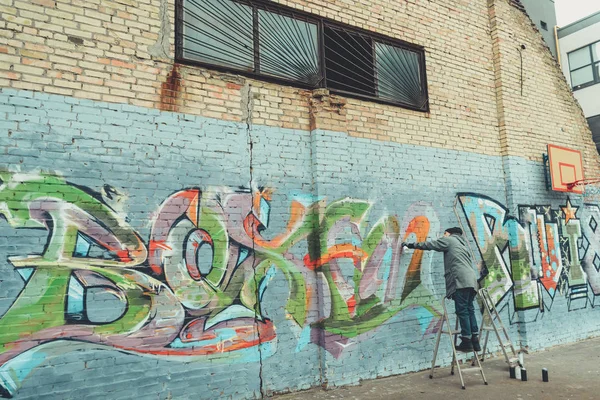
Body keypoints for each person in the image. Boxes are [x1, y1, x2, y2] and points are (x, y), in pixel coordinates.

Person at [403, 227, 480, 352]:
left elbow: (431, 244)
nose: (443, 236)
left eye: (444, 233)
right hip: (471, 280)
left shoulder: (449, 240)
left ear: (449, 233)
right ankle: (475, 340)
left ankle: (467, 340)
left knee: (462, 311)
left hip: (460, 280)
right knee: (470, 309)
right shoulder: (462, 244)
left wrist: (411, 245)